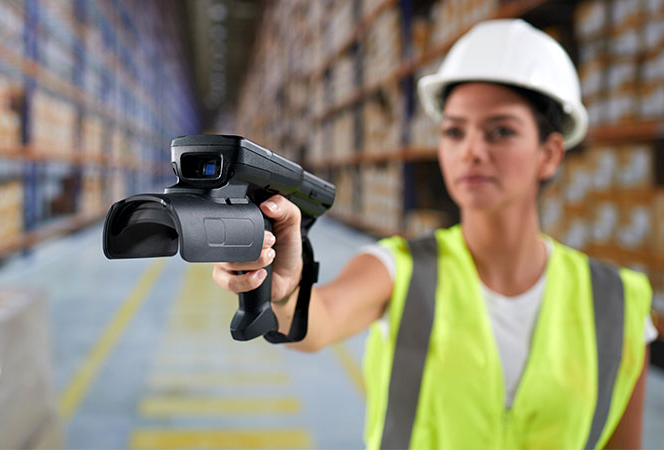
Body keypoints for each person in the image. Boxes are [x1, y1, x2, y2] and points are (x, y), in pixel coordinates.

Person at [212, 19, 658, 449]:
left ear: (550, 153)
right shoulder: (397, 268)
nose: (472, 151)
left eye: (501, 131)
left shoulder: (617, 303)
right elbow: (317, 322)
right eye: (454, 131)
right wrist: (283, 292)